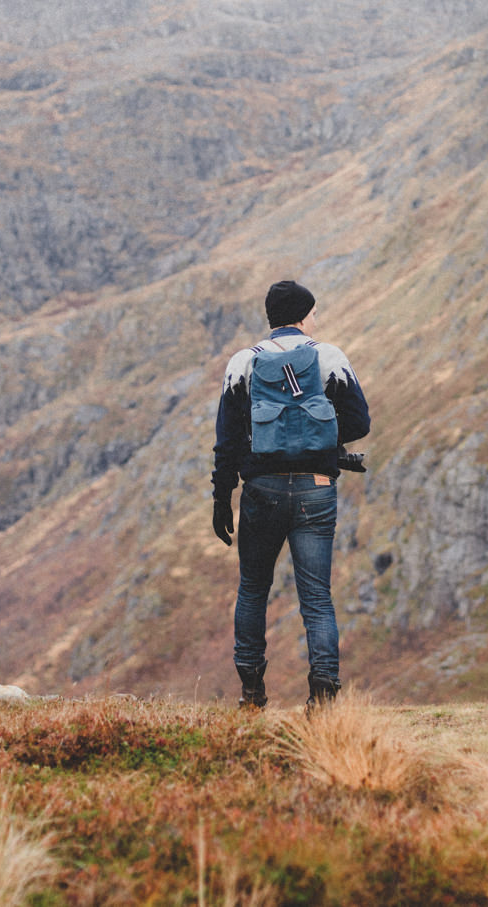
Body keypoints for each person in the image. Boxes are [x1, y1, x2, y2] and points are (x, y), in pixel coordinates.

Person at [212, 280, 370, 710]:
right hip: (316, 490)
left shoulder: (243, 363)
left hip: (260, 491)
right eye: (315, 314)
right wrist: (316, 434)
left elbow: (226, 440)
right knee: (316, 597)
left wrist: (221, 497)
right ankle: (322, 697)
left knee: (252, 589)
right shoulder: (328, 357)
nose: (317, 322)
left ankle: (251, 693)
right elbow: (359, 421)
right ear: (302, 315)